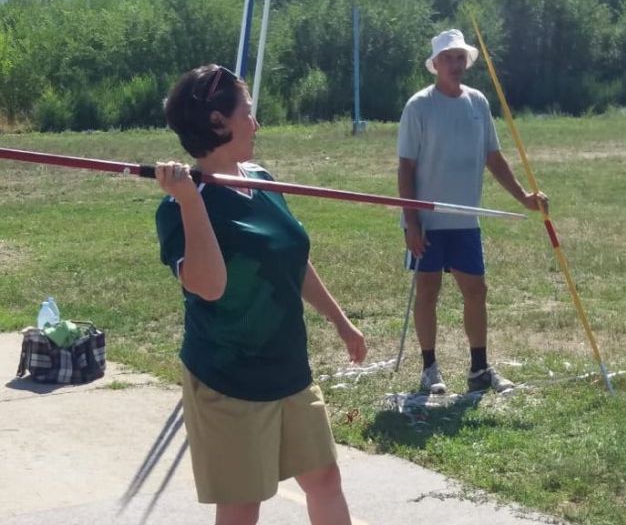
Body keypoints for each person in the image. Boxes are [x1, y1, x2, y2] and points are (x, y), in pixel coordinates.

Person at [155, 64, 367, 525]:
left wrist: (339, 319)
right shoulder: (177, 209)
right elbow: (209, 286)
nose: (256, 123)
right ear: (219, 122)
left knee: (325, 481)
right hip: (229, 381)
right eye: (247, 112)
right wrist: (192, 201)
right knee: (243, 505)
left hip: (289, 368)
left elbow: (290, 260)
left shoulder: (262, 178)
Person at [397, 29, 548, 395]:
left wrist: (524, 197)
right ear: (436, 65)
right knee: (428, 291)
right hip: (428, 220)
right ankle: (430, 368)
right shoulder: (419, 106)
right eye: (447, 58)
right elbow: (406, 168)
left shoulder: (478, 102)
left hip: (465, 220)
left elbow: (493, 159)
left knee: (476, 290)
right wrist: (411, 222)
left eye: (460, 57)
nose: (455, 64)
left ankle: (479, 369)